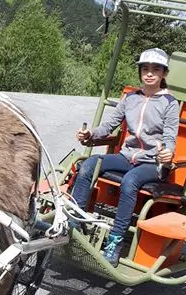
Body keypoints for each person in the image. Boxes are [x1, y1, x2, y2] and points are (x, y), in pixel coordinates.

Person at [71, 48, 179, 266]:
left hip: (151, 163)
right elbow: (110, 124)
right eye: (145, 69)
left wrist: (167, 152)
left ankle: (115, 241)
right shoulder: (131, 98)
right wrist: (91, 133)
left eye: (155, 70)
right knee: (88, 164)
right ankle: (76, 220)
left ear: (164, 74)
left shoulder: (169, 103)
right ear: (140, 72)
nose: (149, 73)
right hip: (126, 156)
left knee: (130, 182)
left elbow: (170, 137)